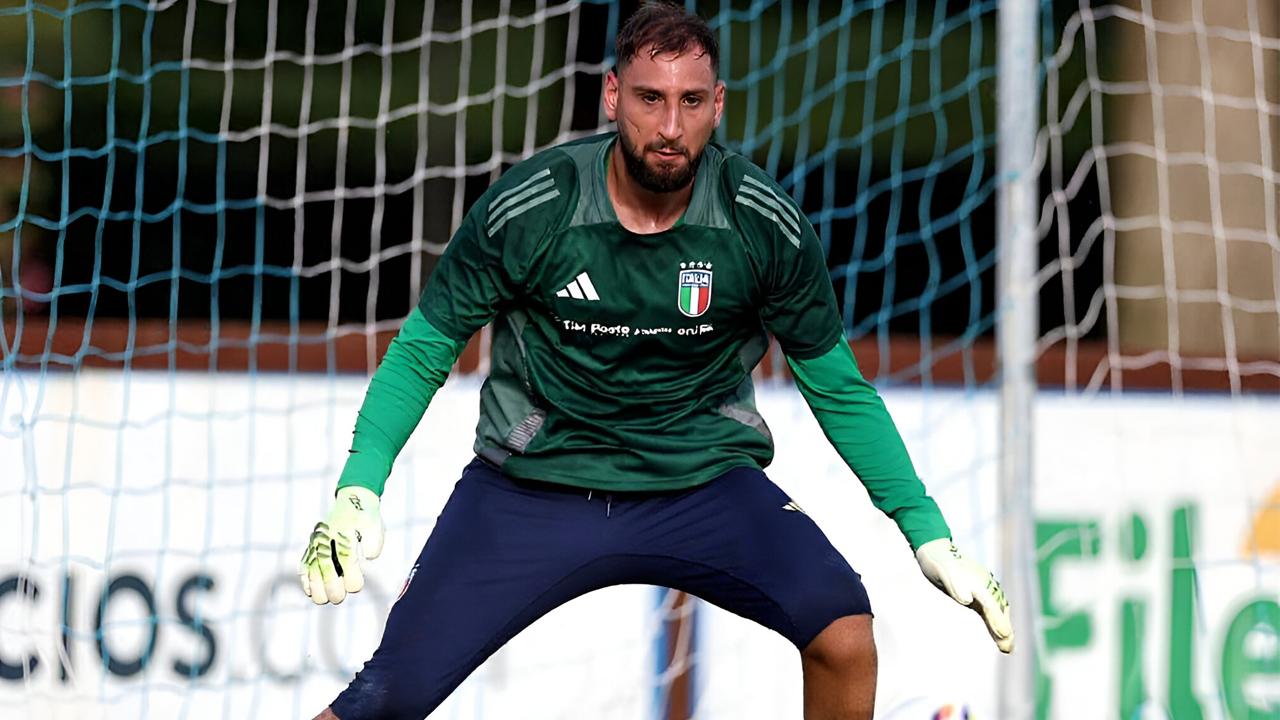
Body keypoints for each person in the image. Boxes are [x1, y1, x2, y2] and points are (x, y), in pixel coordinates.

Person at [300, 4, 1013, 719]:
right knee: (384, 699)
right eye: (650, 99)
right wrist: (359, 487)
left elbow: (837, 387)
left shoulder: (760, 222)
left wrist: (927, 531)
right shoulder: (533, 207)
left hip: (701, 482)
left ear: (718, 106)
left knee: (844, 634)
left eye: (691, 102)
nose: (670, 128)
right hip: (534, 486)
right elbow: (426, 347)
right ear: (613, 96)